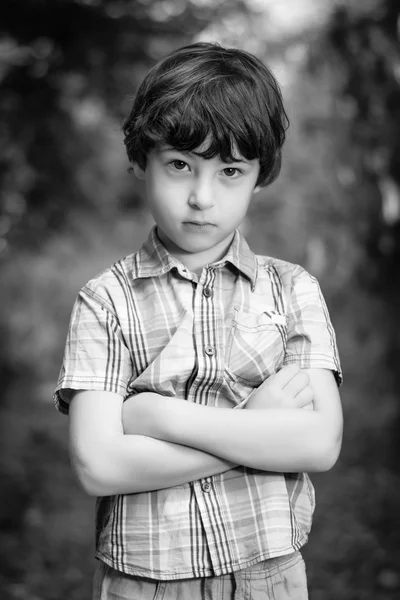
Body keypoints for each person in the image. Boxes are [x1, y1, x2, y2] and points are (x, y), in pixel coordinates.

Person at [54, 42, 343, 599]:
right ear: (141, 159)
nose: (202, 197)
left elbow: (319, 444)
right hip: (143, 582)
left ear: (260, 176)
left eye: (231, 170)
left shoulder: (293, 289)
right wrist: (257, 426)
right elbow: (98, 465)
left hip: (268, 577)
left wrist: (156, 416)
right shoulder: (106, 300)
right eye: (180, 165)